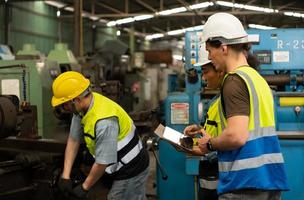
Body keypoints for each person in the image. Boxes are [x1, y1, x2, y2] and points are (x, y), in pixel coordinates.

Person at [195, 12, 289, 200]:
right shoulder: (256, 79)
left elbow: (237, 136)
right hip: (267, 179)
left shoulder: (233, 81)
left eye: (209, 51)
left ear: (223, 47)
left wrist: (209, 144)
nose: (209, 57)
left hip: (244, 183)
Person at [51, 71, 149, 199]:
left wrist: (84, 187)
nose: (63, 109)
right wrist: (65, 176)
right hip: (114, 165)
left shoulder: (104, 122)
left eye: (64, 104)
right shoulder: (80, 109)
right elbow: (74, 140)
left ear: (76, 99)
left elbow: (102, 163)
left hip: (131, 168)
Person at [184, 43, 224, 200]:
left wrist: (205, 149)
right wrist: (200, 130)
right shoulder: (217, 99)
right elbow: (217, 129)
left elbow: (234, 139)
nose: (203, 77)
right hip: (209, 170)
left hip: (219, 172)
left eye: (206, 71)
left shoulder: (230, 101)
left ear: (219, 69)